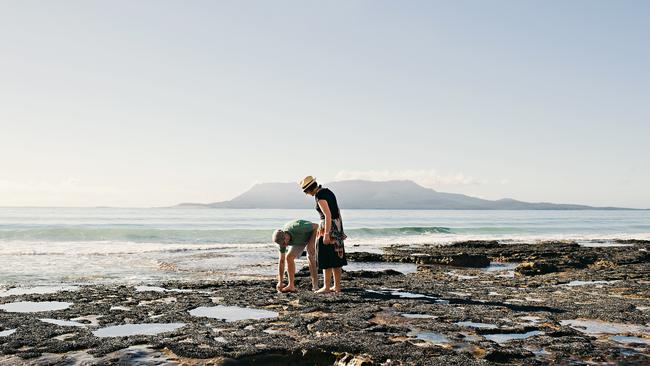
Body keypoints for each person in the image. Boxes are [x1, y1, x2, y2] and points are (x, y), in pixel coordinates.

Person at [299, 176, 347, 293]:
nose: (306, 194)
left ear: (309, 189)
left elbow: (327, 215)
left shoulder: (319, 196)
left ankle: (326, 287)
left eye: (306, 192)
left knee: (325, 257)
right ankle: (336, 286)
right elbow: (338, 211)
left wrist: (326, 234)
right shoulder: (328, 191)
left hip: (327, 226)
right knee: (336, 257)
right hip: (337, 224)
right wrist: (341, 230)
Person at [272, 219, 319, 293]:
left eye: (284, 243)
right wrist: (280, 281)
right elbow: (281, 261)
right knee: (289, 257)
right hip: (300, 241)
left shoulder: (297, 227)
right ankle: (291, 286)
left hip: (312, 234)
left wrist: (311, 242)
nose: (285, 245)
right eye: (282, 244)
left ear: (285, 235)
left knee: (310, 256)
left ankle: (315, 286)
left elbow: (317, 226)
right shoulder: (281, 242)